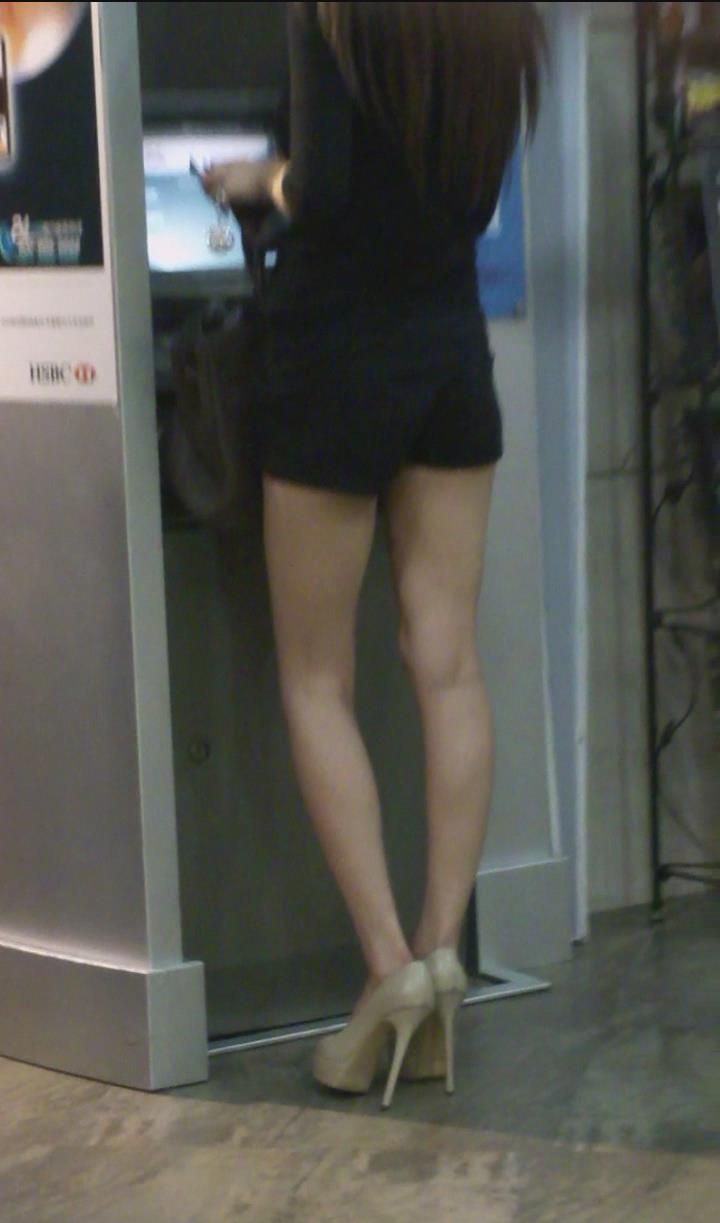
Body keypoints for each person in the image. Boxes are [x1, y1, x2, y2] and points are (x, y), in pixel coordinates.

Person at [203, 0, 546, 1109]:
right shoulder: (496, 24)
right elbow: (472, 203)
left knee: (318, 678)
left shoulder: (332, 11)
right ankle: (443, 960)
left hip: (332, 356)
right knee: (446, 662)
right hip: (450, 349)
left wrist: (257, 179)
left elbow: (328, 192)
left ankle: (390, 969)